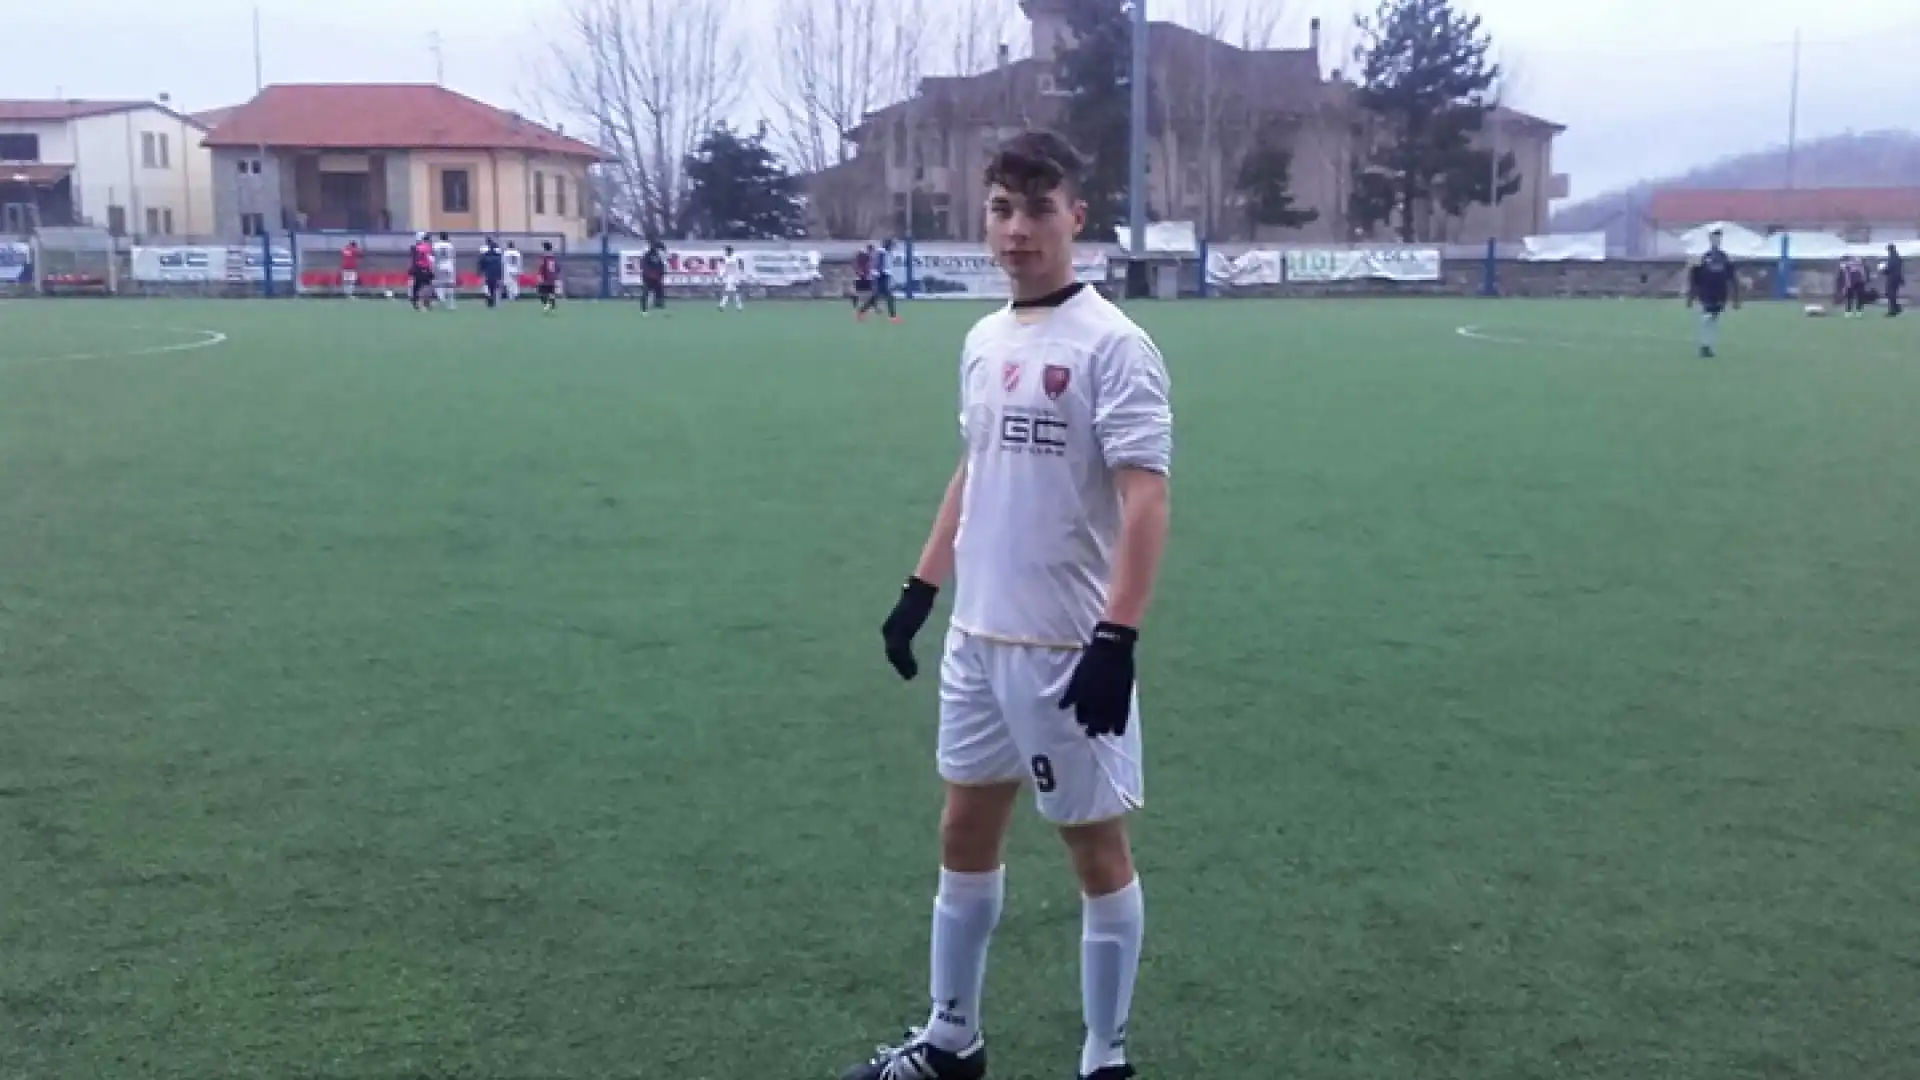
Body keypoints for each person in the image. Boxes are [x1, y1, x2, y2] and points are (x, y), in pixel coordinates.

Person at [850, 129, 1173, 1080]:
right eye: (1002, 208)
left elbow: (1146, 494)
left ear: (1077, 215)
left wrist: (1117, 635)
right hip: (977, 639)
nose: (1017, 230)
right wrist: (921, 588)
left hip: (1064, 646)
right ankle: (953, 1039)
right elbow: (976, 468)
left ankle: (1104, 1058)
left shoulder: (1115, 345)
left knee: (1093, 848)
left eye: (1038, 209)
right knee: (963, 829)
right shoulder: (983, 339)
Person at [1686, 228, 1740, 357]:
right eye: (1714, 237)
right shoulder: (1703, 257)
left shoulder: (1724, 257)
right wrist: (1691, 296)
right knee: (1707, 317)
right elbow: (1694, 278)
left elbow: (1732, 278)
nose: (1717, 240)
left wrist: (1736, 298)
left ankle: (1709, 346)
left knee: (1714, 319)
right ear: (1710, 239)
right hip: (1706, 293)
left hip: (1720, 293)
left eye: (1719, 237)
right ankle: (1704, 344)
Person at [859, 238, 901, 323]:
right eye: (892, 245)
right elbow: (879, 266)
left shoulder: (885, 253)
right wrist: (879, 274)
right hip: (881, 277)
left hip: (883, 276)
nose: (893, 247)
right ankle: (893, 317)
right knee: (888, 296)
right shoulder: (882, 253)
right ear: (888, 245)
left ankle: (861, 312)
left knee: (876, 297)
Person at [409, 233, 436, 311]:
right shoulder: (428, 248)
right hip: (425, 268)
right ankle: (425, 304)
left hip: (417, 268)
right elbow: (430, 259)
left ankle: (416, 303)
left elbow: (414, 259)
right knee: (427, 286)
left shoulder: (416, 248)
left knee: (417, 286)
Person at [640, 240, 667, 316]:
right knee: (645, 292)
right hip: (648, 277)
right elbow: (645, 266)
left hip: (656, 278)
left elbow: (661, 267)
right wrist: (649, 274)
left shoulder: (659, 257)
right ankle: (644, 310)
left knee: (660, 291)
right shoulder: (648, 255)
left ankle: (658, 305)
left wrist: (661, 275)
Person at [717, 244, 746, 312]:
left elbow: (741, 263)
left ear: (729, 251)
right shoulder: (725, 258)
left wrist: (741, 272)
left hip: (734, 276)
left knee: (728, 291)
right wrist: (721, 276)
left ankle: (722, 305)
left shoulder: (736, 257)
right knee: (734, 292)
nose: (725, 252)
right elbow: (724, 268)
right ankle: (739, 306)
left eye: (726, 251)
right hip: (729, 276)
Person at [433, 232, 458, 309]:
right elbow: (452, 256)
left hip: (440, 265)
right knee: (450, 285)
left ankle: (441, 297)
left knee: (440, 283)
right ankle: (451, 303)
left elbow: (434, 255)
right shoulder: (450, 245)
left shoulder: (436, 245)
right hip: (449, 265)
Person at [479, 237, 506, 308]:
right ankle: (493, 300)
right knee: (493, 288)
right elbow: (500, 266)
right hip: (496, 274)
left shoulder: (485, 256)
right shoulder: (498, 257)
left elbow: (481, 264)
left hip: (488, 274)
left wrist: (481, 272)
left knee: (488, 287)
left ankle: (489, 299)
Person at [537, 241, 560, 314]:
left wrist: (540, 275)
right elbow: (558, 268)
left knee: (540, 293)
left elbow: (542, 267)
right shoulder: (553, 257)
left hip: (546, 278)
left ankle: (548, 305)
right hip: (552, 278)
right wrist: (555, 275)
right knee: (551, 293)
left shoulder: (544, 257)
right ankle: (552, 307)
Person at [852, 244, 875, 315]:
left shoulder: (867, 256)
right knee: (858, 293)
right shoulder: (863, 256)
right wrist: (859, 272)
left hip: (865, 276)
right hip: (862, 276)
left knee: (869, 292)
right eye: (871, 250)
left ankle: (867, 307)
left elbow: (867, 266)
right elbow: (858, 265)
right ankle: (856, 308)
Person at [1885, 244, 1905, 318]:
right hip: (1897, 278)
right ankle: (1896, 309)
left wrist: (1883, 270)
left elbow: (1889, 268)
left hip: (1892, 278)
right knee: (1892, 294)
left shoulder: (1892, 258)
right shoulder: (1898, 257)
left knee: (1890, 294)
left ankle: (1893, 310)